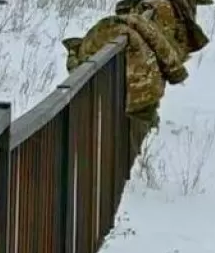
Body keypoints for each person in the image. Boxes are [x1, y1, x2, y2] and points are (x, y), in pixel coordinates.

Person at [64, 12, 188, 159]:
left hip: (135, 87)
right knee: (145, 120)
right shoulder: (113, 27)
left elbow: (78, 73)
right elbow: (158, 41)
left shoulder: (92, 44)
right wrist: (175, 69)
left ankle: (139, 156)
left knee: (135, 133)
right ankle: (148, 147)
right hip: (149, 80)